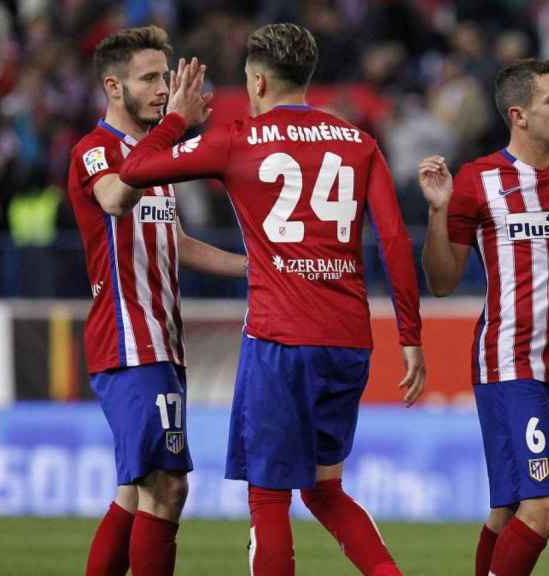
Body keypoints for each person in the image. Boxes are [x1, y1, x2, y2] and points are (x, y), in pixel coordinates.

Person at [120, 23, 425, 576]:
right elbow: (397, 240)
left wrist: (177, 121)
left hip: (280, 340)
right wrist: (411, 336)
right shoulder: (358, 142)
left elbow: (134, 171)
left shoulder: (234, 140)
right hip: (348, 341)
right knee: (326, 490)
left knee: (269, 497)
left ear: (257, 83)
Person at [418, 58, 549, 576]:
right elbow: (442, 283)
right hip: (508, 364)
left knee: (508, 508)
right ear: (519, 115)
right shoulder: (478, 180)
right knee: (546, 503)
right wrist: (438, 211)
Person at [68, 25, 247, 576]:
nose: (162, 89)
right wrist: (173, 127)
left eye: (165, 78)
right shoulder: (95, 151)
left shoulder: (155, 161)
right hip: (127, 341)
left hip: (162, 345)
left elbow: (178, 242)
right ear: (113, 87)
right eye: (149, 78)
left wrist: (258, 268)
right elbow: (116, 199)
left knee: (137, 492)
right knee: (166, 487)